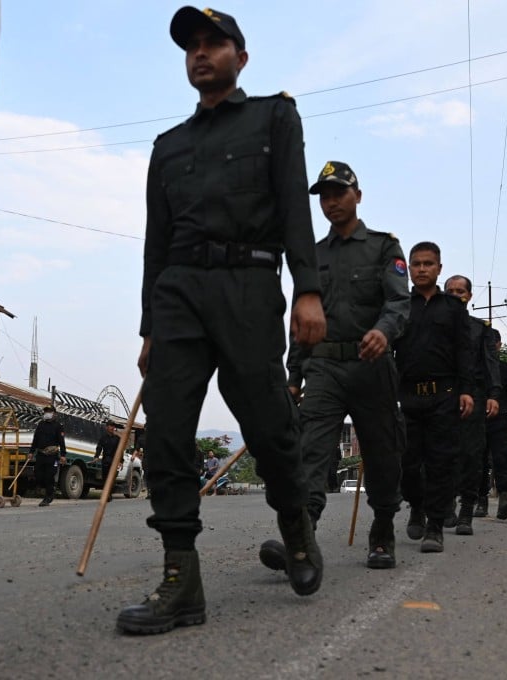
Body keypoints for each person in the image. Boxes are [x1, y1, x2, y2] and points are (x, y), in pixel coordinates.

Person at [118, 6, 327, 636]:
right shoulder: (168, 146)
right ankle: (181, 579)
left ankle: (295, 523)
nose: (200, 54)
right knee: (168, 431)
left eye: (215, 43)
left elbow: (295, 206)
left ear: (241, 56)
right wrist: (150, 326)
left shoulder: (274, 117)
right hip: (179, 291)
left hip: (248, 286)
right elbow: (156, 244)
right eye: (192, 46)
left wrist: (307, 292)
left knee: (268, 427)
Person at [261, 161, 409, 571]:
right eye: (324, 196)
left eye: (338, 193)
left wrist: (384, 331)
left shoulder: (383, 247)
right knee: (310, 452)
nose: (330, 202)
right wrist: (293, 377)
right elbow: (300, 320)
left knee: (382, 453)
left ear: (357, 196)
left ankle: (382, 530)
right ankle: (303, 539)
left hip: (371, 366)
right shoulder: (312, 255)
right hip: (323, 367)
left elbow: (399, 302)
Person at [393, 243, 474, 554]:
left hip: (444, 395)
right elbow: (389, 349)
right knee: (409, 463)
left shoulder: (454, 309)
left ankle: (435, 526)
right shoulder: (399, 305)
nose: (422, 269)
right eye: (417, 264)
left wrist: (466, 389)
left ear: (439, 268)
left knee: (441, 462)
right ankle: (416, 505)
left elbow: (463, 352)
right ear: (409, 269)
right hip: (409, 396)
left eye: (429, 264)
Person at [443, 275, 501, 536]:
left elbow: (490, 363)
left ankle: (467, 509)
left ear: (469, 295)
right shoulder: (432, 325)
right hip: (439, 397)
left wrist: (493, 393)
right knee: (439, 453)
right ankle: (444, 504)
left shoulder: (480, 328)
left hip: (474, 396)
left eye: (460, 291)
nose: (455, 294)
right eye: (450, 291)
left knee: (471, 453)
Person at [478, 329, 507, 520]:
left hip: (499, 419)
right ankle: (481, 500)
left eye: (492, 343)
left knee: (501, 458)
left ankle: (504, 498)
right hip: (477, 421)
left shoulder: (505, 369)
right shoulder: (473, 368)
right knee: (479, 461)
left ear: (499, 345)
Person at [30, 405, 67, 507]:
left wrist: (63, 455)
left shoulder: (58, 426)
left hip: (52, 456)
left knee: (49, 476)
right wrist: (31, 452)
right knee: (38, 474)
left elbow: (61, 442)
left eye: (49, 411)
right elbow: (35, 439)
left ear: (54, 413)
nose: (47, 413)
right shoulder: (41, 425)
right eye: (46, 411)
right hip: (41, 454)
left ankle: (48, 497)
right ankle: (44, 489)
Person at [94, 420, 122, 502]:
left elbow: (120, 451)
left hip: (114, 461)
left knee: (112, 478)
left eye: (113, 426)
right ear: (107, 427)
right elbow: (99, 447)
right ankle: (107, 494)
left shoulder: (117, 439)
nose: (112, 427)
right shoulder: (103, 438)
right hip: (106, 460)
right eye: (110, 426)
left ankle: (109, 493)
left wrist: (121, 461)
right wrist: (96, 456)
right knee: (105, 478)